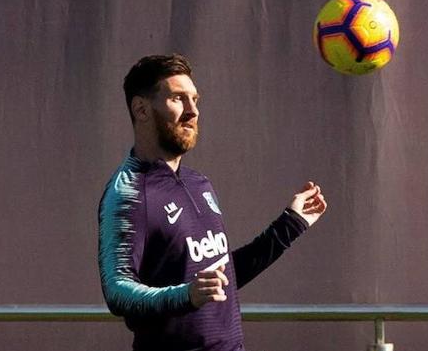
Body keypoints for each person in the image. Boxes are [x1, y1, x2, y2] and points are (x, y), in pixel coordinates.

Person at [98, 54, 328, 351]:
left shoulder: (198, 183)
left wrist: (289, 225)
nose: (192, 111)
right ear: (141, 109)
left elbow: (222, 278)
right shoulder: (127, 192)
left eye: (195, 100)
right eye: (178, 99)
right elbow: (118, 293)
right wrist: (186, 295)